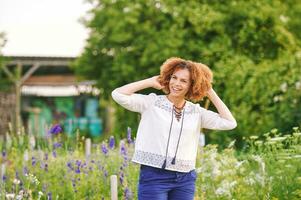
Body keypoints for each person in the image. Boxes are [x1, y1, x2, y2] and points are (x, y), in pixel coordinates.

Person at [111, 57, 237, 200]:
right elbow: (117, 94)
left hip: (185, 179)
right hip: (154, 176)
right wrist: (150, 82)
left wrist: (209, 91)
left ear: (192, 85)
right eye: (174, 77)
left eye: (183, 81)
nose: (176, 83)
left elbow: (229, 122)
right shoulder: (151, 103)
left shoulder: (196, 112)